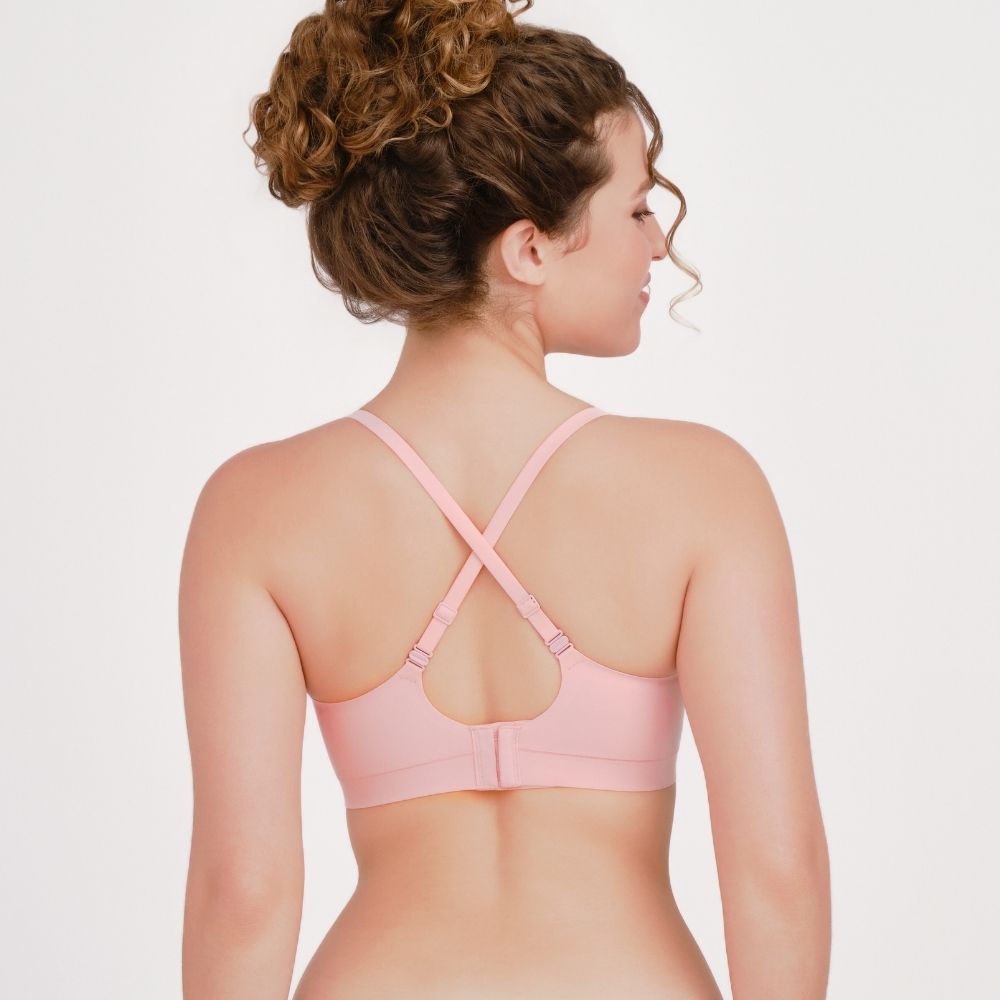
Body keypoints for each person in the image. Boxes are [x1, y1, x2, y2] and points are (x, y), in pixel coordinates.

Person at [178, 2, 831, 997]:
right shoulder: (703, 489)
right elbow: (776, 871)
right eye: (636, 209)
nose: (657, 246)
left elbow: (244, 892)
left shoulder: (255, 509)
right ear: (528, 248)